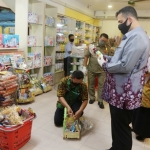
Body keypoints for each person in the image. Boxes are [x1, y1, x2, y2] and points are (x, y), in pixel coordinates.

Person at [94, 6, 150, 150]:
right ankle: (116, 147)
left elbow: (125, 65)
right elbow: (121, 58)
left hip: (125, 93)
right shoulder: (131, 36)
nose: (119, 25)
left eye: (120, 21)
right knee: (117, 125)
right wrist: (105, 57)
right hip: (119, 92)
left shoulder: (137, 38)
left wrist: (104, 65)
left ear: (129, 19)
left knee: (122, 127)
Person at [82, 33, 112, 109]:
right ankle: (92, 98)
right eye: (102, 40)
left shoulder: (107, 48)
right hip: (92, 68)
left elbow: (110, 58)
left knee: (101, 86)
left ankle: (100, 100)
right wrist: (84, 67)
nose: (103, 42)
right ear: (99, 38)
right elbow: (86, 57)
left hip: (102, 70)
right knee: (91, 84)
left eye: (105, 41)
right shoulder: (92, 46)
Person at [132, 49, 150, 141]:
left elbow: (146, 73)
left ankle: (141, 133)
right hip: (140, 88)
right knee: (137, 110)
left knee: (144, 114)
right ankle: (135, 128)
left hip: (147, 92)